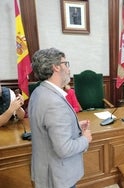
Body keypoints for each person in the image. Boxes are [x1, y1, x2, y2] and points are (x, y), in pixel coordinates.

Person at [28, 48, 92, 188]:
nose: (68, 69)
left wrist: (74, 127)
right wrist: (85, 138)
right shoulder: (54, 102)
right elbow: (64, 149)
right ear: (56, 67)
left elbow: (47, 130)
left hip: (47, 170)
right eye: (65, 63)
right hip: (58, 177)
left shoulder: (39, 91)